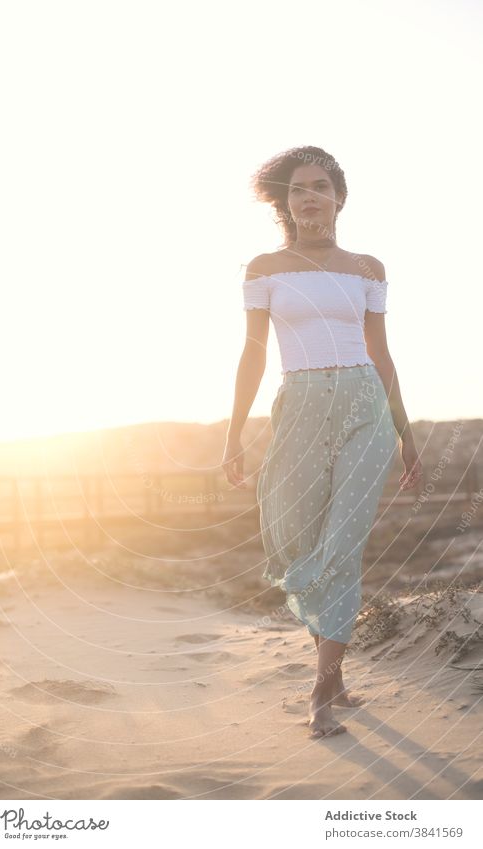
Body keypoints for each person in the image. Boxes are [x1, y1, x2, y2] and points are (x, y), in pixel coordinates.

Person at [222, 146, 423, 739]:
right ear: (285, 204)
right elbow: (253, 353)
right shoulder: (264, 268)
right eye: (296, 190)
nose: (308, 197)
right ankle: (333, 675)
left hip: (365, 405)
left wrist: (407, 437)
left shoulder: (367, 268)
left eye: (319, 186)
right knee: (291, 538)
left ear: (338, 196)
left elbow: (382, 354)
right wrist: (233, 433)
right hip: (300, 405)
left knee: (343, 542)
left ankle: (321, 686)